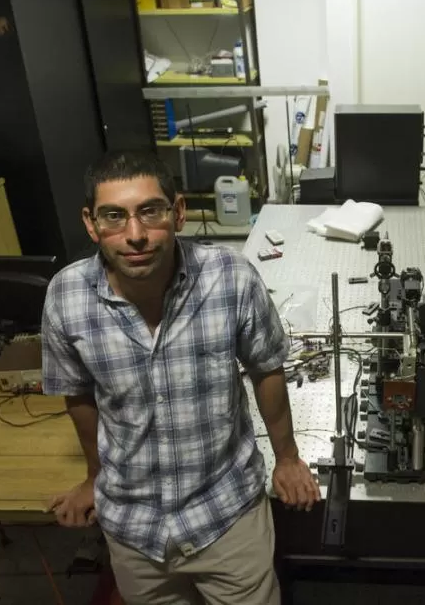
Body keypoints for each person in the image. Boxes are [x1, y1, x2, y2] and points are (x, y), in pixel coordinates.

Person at [41, 151, 320, 605]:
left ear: (179, 213)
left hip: (227, 516)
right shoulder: (65, 296)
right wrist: (94, 475)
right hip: (134, 528)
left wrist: (287, 458)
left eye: (150, 211)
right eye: (115, 217)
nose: (135, 235)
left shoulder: (231, 279)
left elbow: (266, 365)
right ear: (91, 225)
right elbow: (78, 394)